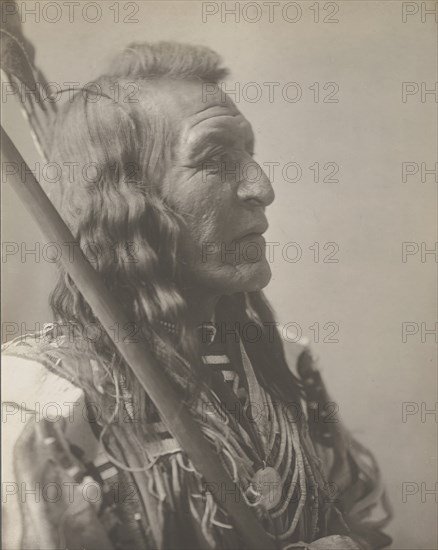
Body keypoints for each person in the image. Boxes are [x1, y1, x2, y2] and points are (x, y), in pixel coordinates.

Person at [2, 42, 392, 550]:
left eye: (248, 152)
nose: (261, 186)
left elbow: (357, 515)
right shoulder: (42, 405)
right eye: (213, 158)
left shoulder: (285, 365)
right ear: (129, 205)